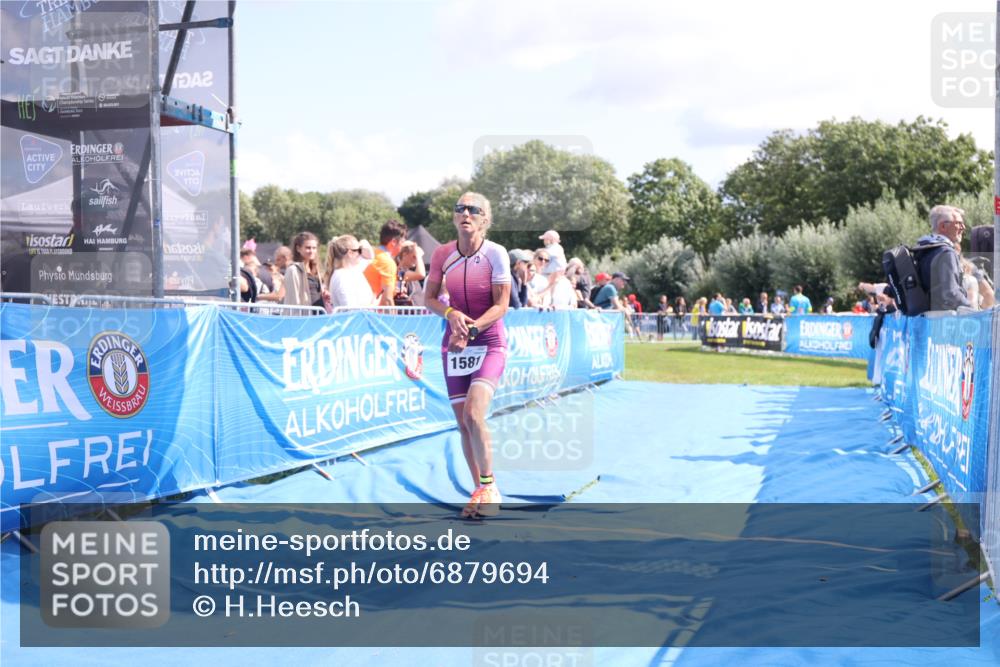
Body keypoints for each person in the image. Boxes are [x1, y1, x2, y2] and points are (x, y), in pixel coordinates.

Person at [424, 192, 511, 519]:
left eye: (474, 210)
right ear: (454, 217)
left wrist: (471, 330)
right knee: (462, 423)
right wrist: (450, 315)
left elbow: (501, 305)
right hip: (454, 341)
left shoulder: (495, 254)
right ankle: (480, 489)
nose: (466, 213)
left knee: (475, 414)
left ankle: (490, 487)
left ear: (485, 220)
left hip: (487, 339)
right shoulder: (443, 254)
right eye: (460, 208)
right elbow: (429, 298)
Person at [916, 205, 971, 311]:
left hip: (926, 319)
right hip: (944, 320)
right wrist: (972, 310)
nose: (963, 227)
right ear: (943, 227)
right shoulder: (946, 252)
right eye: (958, 223)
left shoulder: (924, 249)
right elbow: (951, 293)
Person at [364, 219, 408, 306]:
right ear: (394, 242)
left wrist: (393, 290)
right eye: (402, 242)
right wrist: (394, 319)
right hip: (376, 315)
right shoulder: (388, 263)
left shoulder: (372, 254)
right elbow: (387, 299)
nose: (403, 245)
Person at [327, 235, 377, 309]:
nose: (361, 254)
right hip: (354, 319)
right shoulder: (342, 277)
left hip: (362, 318)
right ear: (350, 253)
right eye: (359, 250)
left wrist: (361, 244)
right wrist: (375, 303)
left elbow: (371, 257)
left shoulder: (354, 270)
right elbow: (349, 308)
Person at [284, 231, 327, 312]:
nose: (311, 251)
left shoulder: (316, 269)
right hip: (304, 318)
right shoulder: (293, 270)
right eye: (308, 248)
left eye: (314, 248)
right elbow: (294, 299)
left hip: (319, 315)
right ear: (298, 248)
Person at [393, 240, 426, 306]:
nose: (416, 259)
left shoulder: (407, 272)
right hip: (406, 314)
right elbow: (421, 274)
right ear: (404, 254)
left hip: (415, 313)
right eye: (414, 256)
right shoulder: (399, 272)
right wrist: (418, 255)